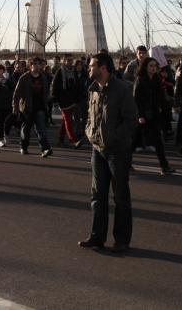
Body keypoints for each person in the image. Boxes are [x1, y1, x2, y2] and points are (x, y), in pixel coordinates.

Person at [79, 53, 137, 253]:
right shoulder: (93, 89)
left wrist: (113, 139)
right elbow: (89, 116)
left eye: (92, 65)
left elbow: (130, 120)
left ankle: (121, 240)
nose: (89, 68)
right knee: (97, 195)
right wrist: (90, 133)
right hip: (97, 150)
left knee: (120, 196)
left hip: (117, 152)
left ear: (103, 67)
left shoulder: (122, 89)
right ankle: (97, 236)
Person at [133, 57, 173, 175]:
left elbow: (161, 97)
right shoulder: (140, 80)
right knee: (134, 142)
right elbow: (136, 99)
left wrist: (168, 104)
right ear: (145, 67)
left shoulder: (156, 79)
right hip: (143, 116)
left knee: (158, 141)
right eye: (151, 65)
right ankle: (125, 163)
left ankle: (164, 167)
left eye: (155, 66)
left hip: (154, 114)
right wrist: (140, 115)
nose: (153, 68)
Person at [12, 57, 53, 157]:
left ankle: (45, 149)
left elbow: (46, 92)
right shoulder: (24, 77)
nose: (37, 66)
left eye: (39, 64)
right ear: (30, 65)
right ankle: (23, 146)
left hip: (40, 108)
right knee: (26, 130)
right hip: (27, 108)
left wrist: (48, 100)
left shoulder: (43, 77)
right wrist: (15, 108)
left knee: (41, 129)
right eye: (35, 64)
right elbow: (16, 94)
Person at [51, 55, 84, 148]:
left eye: (71, 60)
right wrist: (55, 99)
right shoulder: (60, 71)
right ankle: (73, 140)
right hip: (63, 100)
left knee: (65, 121)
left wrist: (78, 97)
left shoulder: (73, 71)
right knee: (68, 120)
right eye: (68, 60)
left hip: (72, 99)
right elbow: (55, 86)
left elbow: (77, 85)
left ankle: (60, 140)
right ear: (64, 61)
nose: (70, 62)